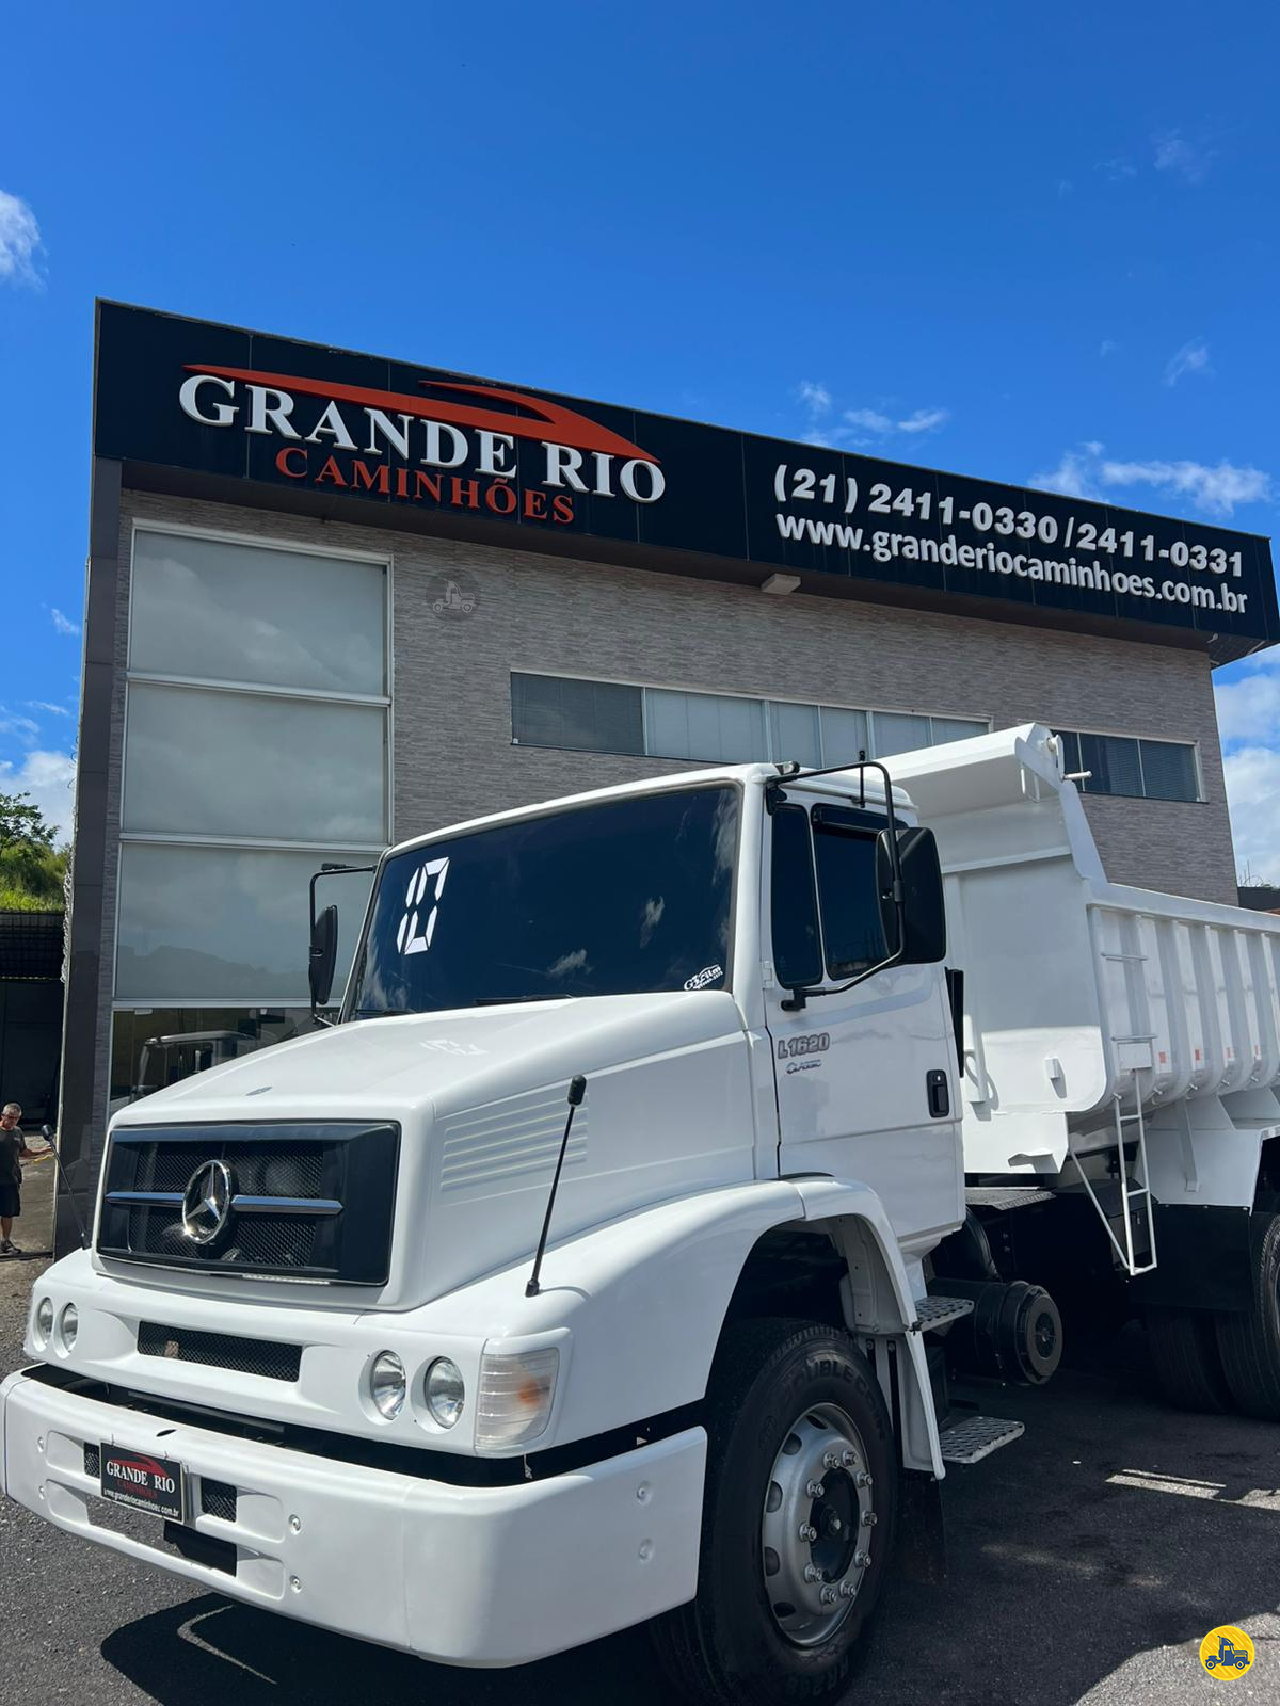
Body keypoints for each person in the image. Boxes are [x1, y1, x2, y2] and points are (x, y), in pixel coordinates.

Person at [0, 1103, 41, 1256]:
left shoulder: (18, 1132)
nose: (13, 1121)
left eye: (16, 1118)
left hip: (11, 1180)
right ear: (2, 1116)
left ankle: (5, 1241)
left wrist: (41, 1151)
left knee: (7, 1213)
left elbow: (24, 1151)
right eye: (10, 1117)